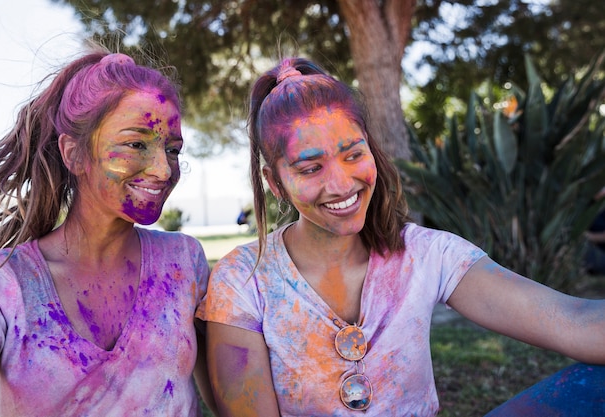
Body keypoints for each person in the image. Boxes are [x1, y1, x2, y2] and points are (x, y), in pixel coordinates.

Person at [196, 57, 605, 416]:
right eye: (310, 168)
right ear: (275, 182)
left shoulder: (427, 254)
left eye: (353, 154)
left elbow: (571, 320)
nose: (341, 184)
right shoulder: (243, 280)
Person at [0, 45, 216, 416]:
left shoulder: (184, 262)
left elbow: (228, 396)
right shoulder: (0, 285)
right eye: (136, 144)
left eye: (172, 150)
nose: (164, 170)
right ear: (74, 153)